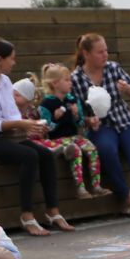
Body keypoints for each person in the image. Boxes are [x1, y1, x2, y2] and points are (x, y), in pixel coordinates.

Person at [0, 38, 69, 237]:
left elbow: (11, 115)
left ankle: (53, 211)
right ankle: (26, 215)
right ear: (0, 59)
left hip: (4, 136)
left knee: (45, 153)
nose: (14, 63)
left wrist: (30, 128)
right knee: (29, 155)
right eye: (11, 59)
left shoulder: (5, 81)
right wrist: (21, 124)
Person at [71, 34, 130, 222]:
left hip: (125, 121)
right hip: (101, 126)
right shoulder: (76, 79)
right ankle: (125, 194)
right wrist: (88, 121)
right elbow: (75, 113)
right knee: (106, 151)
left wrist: (128, 89)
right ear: (86, 54)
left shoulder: (113, 68)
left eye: (106, 50)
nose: (105, 55)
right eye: (100, 52)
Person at [36, 63, 106, 198]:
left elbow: (79, 123)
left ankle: (96, 185)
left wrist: (76, 115)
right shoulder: (46, 104)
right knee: (76, 151)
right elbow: (46, 129)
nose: (71, 83)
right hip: (57, 139)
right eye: (67, 80)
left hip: (73, 136)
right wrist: (55, 119)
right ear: (56, 83)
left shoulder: (72, 100)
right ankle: (81, 188)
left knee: (91, 148)